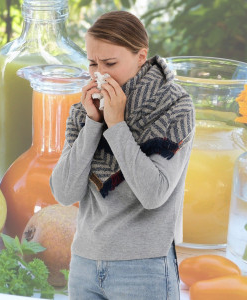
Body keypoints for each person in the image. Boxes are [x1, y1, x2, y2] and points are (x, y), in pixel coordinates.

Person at [50, 10, 195, 300]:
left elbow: (153, 194)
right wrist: (93, 124)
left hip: (145, 268)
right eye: (92, 63)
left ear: (141, 56)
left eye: (110, 63)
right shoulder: (83, 112)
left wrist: (116, 125)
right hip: (84, 264)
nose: (98, 73)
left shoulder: (174, 107)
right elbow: (65, 193)